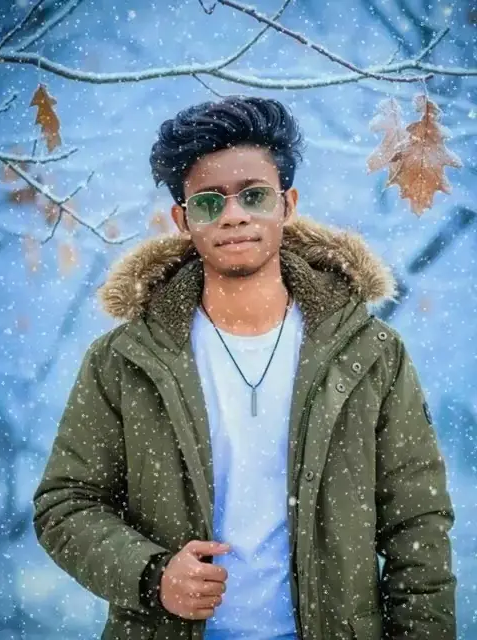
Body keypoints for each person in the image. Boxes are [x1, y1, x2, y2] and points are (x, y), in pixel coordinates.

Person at [33, 96, 456, 640]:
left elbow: (417, 524)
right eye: (209, 202)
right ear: (182, 220)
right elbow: (65, 504)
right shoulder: (123, 360)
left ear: (287, 204)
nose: (233, 215)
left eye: (254, 195)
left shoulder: (370, 353)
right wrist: (153, 575)